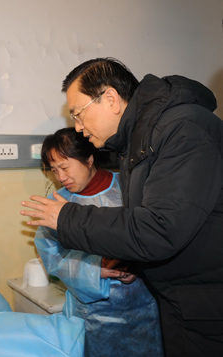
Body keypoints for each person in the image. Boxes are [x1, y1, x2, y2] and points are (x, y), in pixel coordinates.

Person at [20, 57, 223, 355]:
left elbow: (159, 229)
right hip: (185, 302)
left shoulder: (182, 128)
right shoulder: (136, 143)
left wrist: (67, 218)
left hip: (207, 307)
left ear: (111, 99)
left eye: (78, 114)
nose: (77, 128)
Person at [35, 127, 162, 356]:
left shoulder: (130, 189)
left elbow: (157, 237)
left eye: (64, 167)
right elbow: (50, 256)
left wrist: (136, 267)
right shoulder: (57, 203)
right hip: (90, 318)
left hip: (143, 312)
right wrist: (95, 269)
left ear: (90, 158)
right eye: (54, 170)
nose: (60, 177)